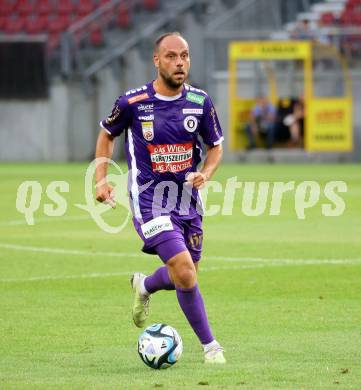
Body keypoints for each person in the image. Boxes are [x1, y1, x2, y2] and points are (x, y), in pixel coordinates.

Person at [95, 32, 225, 364]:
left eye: (184, 55)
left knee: (188, 273)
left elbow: (215, 147)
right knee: (183, 269)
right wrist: (101, 180)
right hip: (149, 200)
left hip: (187, 202)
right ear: (156, 60)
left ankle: (144, 286)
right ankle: (211, 347)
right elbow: (107, 135)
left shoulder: (200, 101)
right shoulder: (133, 103)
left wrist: (205, 175)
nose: (179, 62)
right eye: (171, 56)